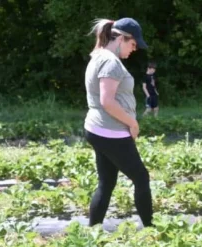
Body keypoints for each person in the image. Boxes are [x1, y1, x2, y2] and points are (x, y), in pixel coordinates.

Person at [83, 17, 153, 228]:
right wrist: (132, 122)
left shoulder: (99, 56)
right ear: (121, 38)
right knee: (141, 178)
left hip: (98, 129)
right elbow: (107, 101)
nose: (134, 49)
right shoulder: (110, 61)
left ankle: (92, 233)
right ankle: (152, 231)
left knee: (106, 182)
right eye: (133, 44)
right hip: (110, 131)